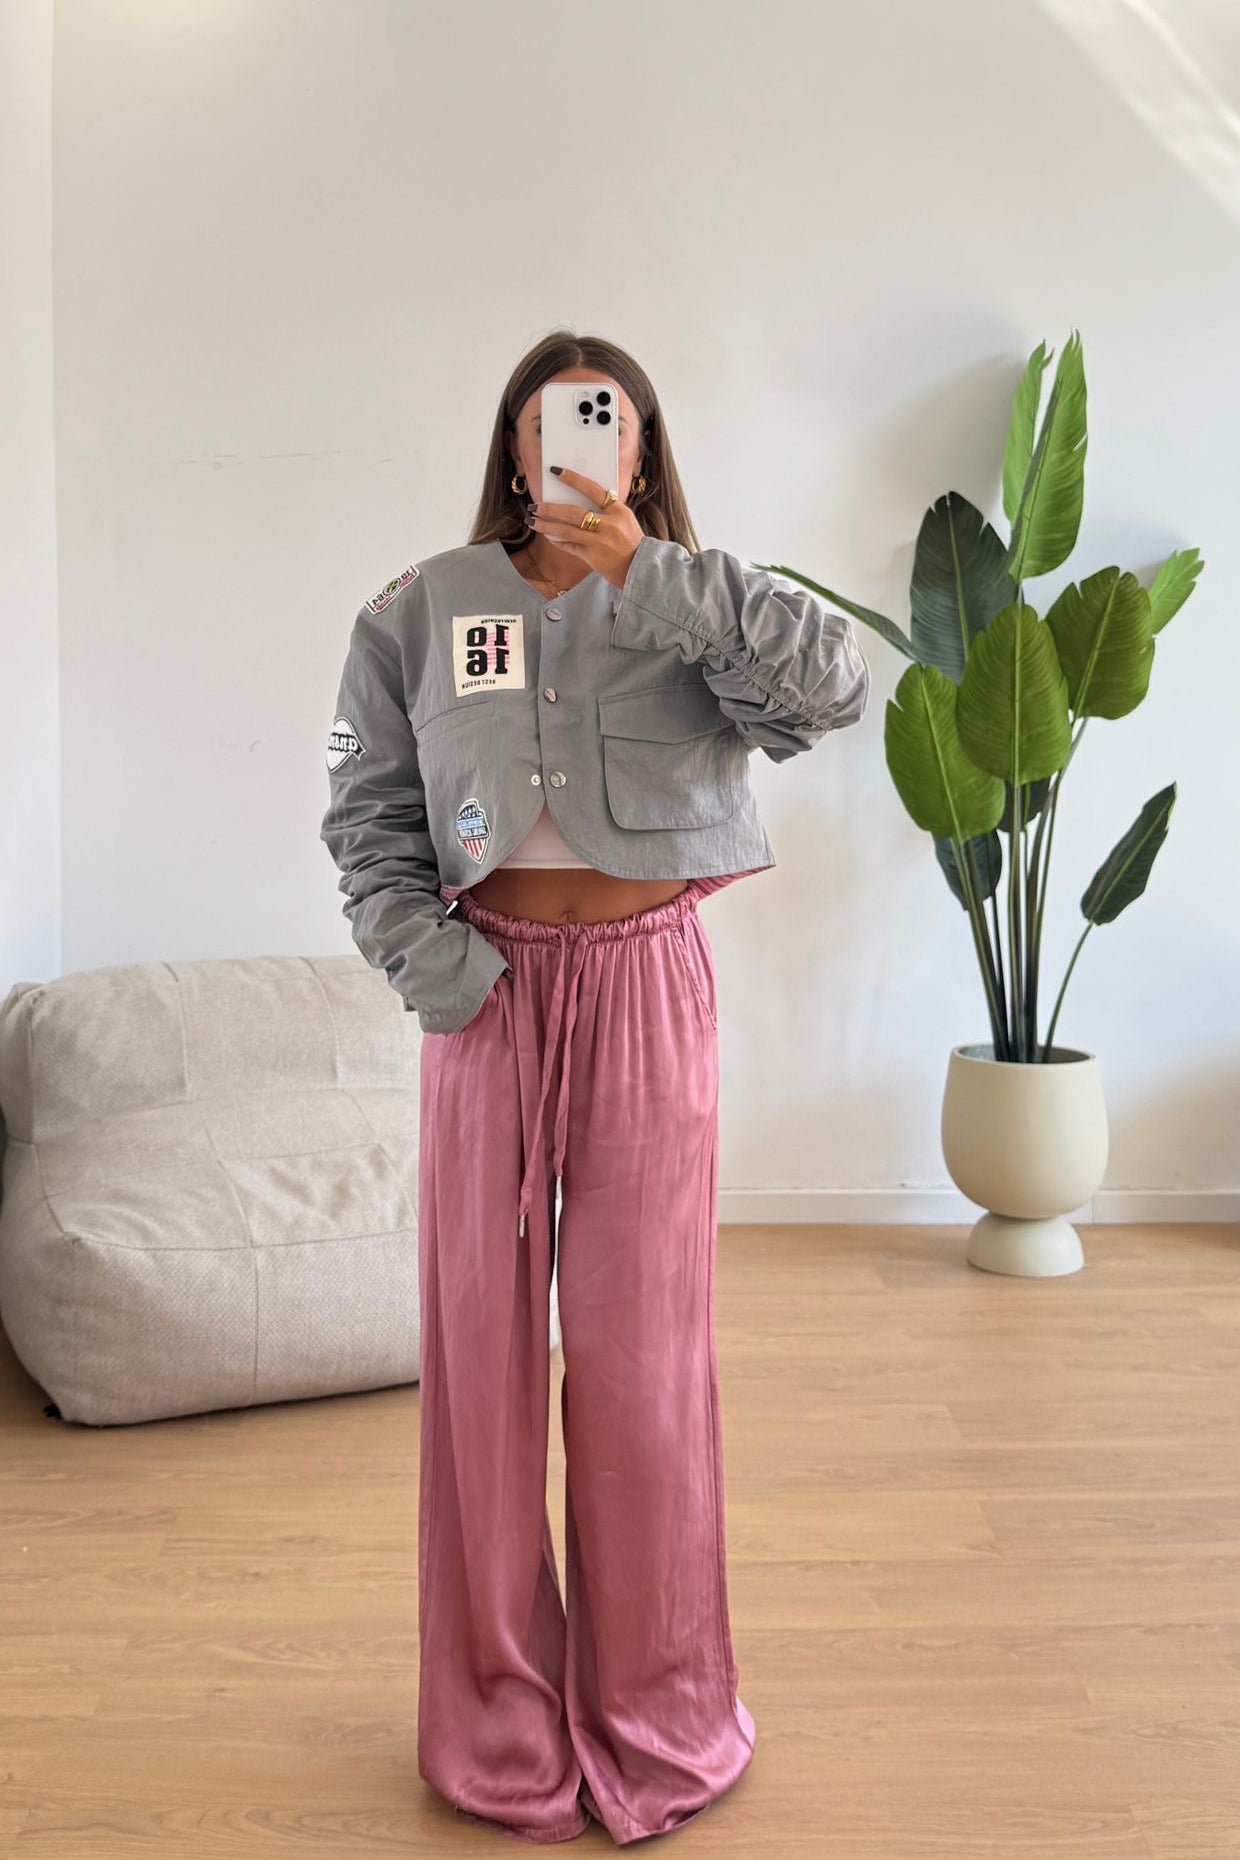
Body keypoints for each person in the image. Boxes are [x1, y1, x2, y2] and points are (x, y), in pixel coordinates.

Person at [320, 329, 870, 1845]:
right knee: (481, 1378)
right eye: (552, 418)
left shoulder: (697, 605)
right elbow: (365, 811)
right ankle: (498, 1722)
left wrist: (656, 575)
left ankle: (661, 1713)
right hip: (483, 1001)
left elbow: (833, 689)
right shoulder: (417, 609)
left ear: (640, 449)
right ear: (513, 446)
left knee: (644, 1371)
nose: (576, 440)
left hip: (646, 1000)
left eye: (606, 419)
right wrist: (441, 977)